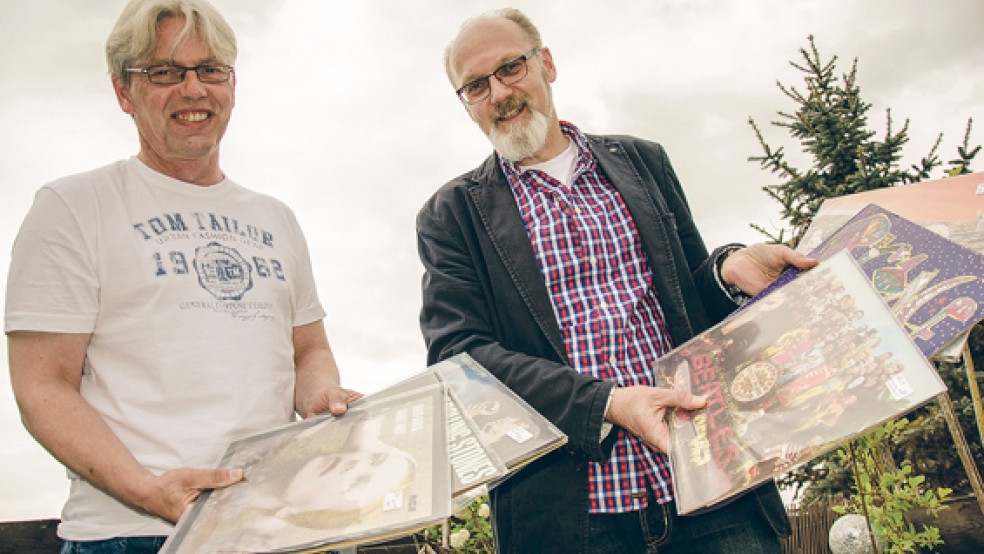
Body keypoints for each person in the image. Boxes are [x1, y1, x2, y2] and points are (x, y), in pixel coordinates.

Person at [416, 8, 817, 553]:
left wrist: (727, 273)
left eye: (510, 68)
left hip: (711, 484)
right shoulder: (452, 214)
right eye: (476, 86)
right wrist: (605, 403)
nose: (499, 93)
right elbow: (458, 355)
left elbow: (688, 290)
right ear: (464, 104)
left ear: (547, 64)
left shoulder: (644, 162)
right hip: (572, 517)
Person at [4, 1, 359, 551]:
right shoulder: (73, 206)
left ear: (232, 85)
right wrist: (149, 491)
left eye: (210, 70)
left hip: (271, 527)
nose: (193, 90)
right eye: (164, 72)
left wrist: (320, 400)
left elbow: (308, 350)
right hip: (132, 535)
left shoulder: (276, 219)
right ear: (125, 92)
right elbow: (41, 388)